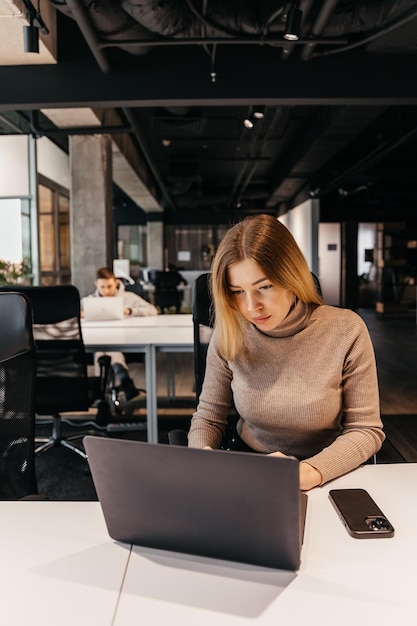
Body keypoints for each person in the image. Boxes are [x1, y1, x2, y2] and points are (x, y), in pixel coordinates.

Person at [188, 214, 385, 491]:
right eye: (237, 292)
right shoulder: (230, 332)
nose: (251, 306)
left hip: (326, 472)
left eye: (264, 287)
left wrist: (309, 472)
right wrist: (202, 455)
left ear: (291, 276)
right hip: (248, 469)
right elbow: (208, 416)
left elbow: (365, 430)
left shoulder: (345, 330)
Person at [82, 267, 158, 400]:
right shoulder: (88, 302)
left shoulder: (128, 298)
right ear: (96, 284)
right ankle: (124, 380)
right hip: (97, 341)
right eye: (102, 287)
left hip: (124, 341)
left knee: (105, 349)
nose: (106, 291)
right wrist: (82, 315)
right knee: (105, 347)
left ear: (116, 282)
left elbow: (152, 310)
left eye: (110, 286)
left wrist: (129, 311)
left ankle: (101, 393)